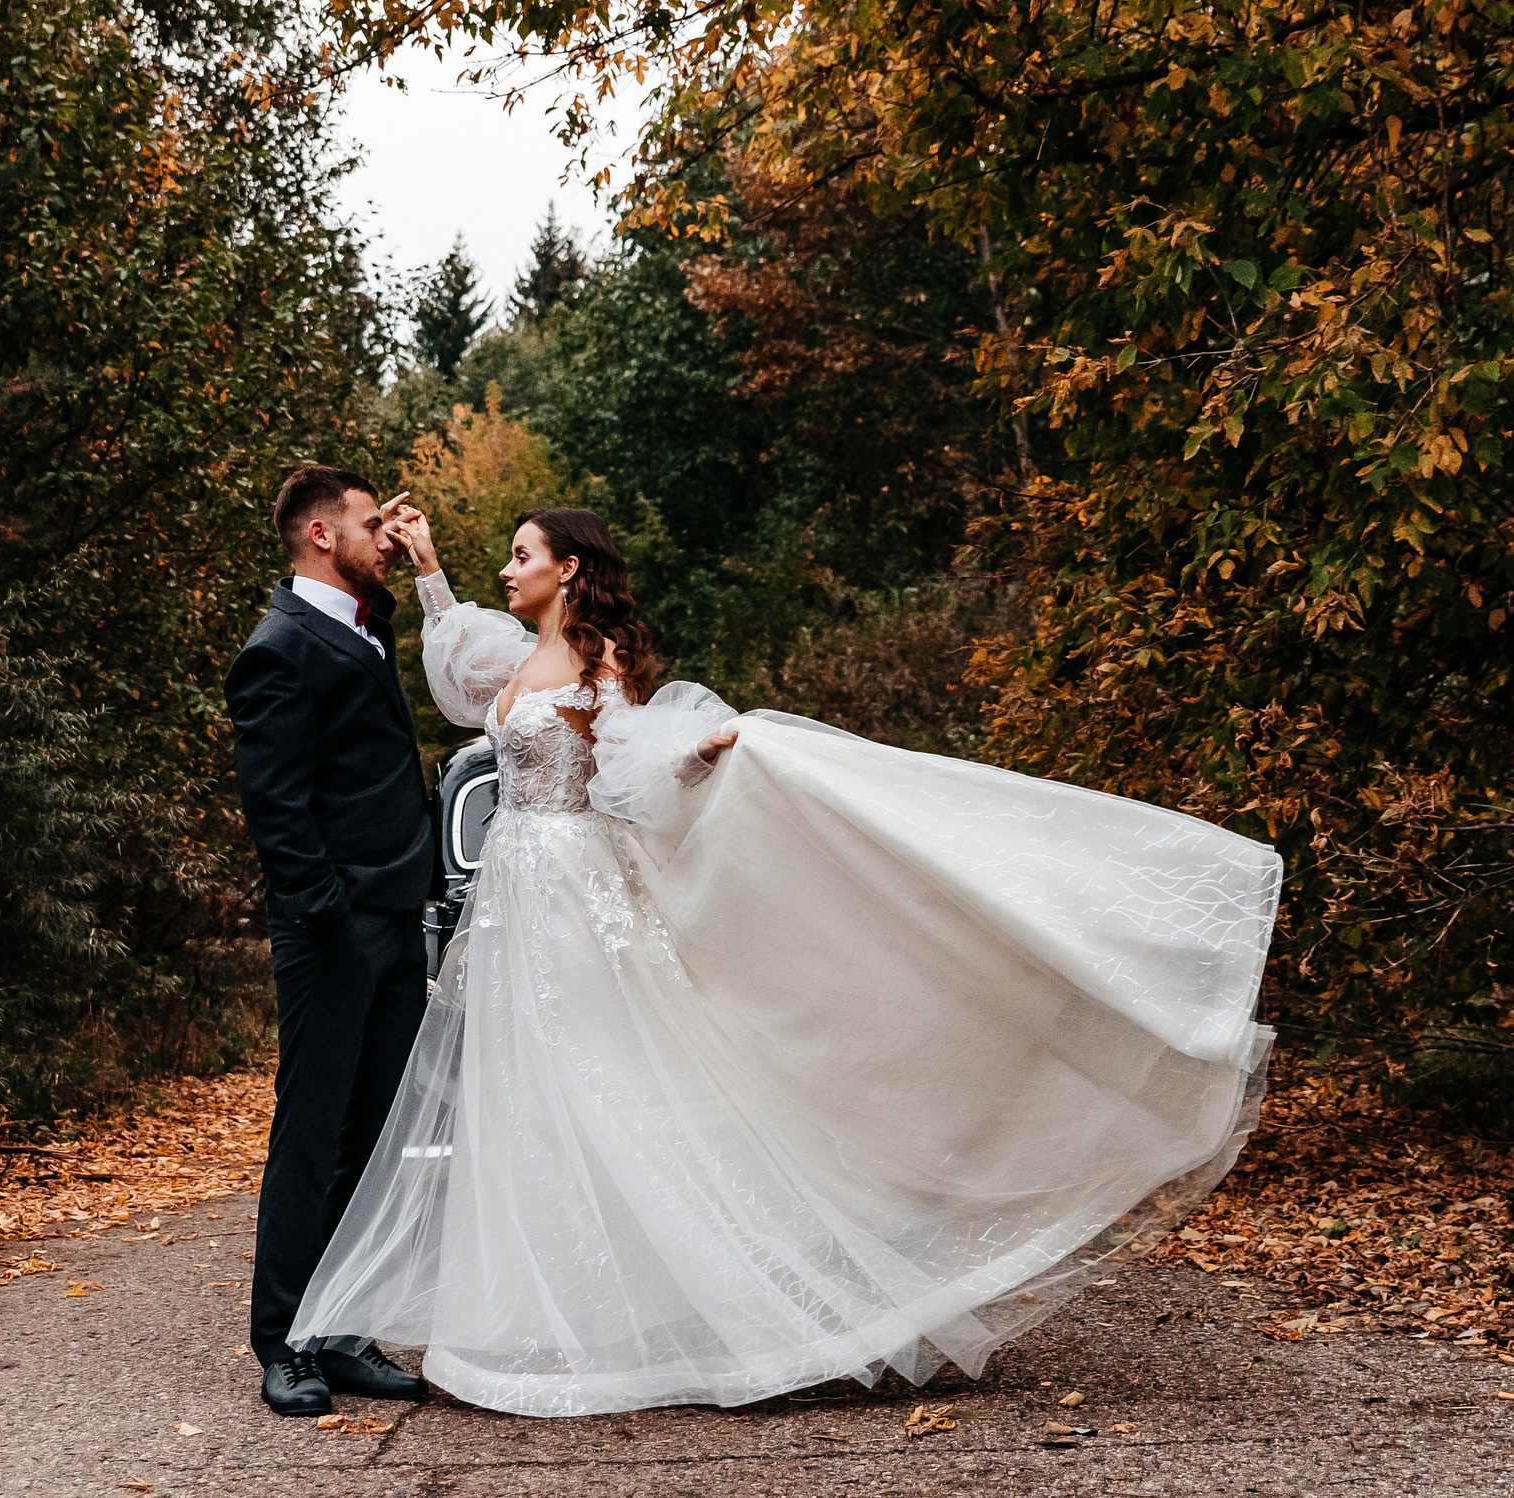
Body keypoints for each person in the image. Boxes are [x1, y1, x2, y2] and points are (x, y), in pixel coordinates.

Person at [287, 503, 1282, 1417]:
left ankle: (731, 1302)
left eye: (521, 555)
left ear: (569, 568)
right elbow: (461, 679)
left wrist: (700, 753)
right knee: (526, 1100)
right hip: (516, 897)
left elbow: (631, 764)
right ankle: (543, 1316)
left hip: (576, 896)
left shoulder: (597, 666)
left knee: (607, 1088)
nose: (507, 570)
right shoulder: (515, 659)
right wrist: (428, 568)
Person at [223, 466, 438, 1416]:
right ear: (320, 533)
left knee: (370, 1138)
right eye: (367, 521)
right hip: (334, 929)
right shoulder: (276, 649)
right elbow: (278, 812)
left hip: (393, 917)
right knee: (310, 1134)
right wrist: (333, 919)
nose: (383, 536)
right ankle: (284, 1343)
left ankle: (343, 1329)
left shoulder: (360, 627)